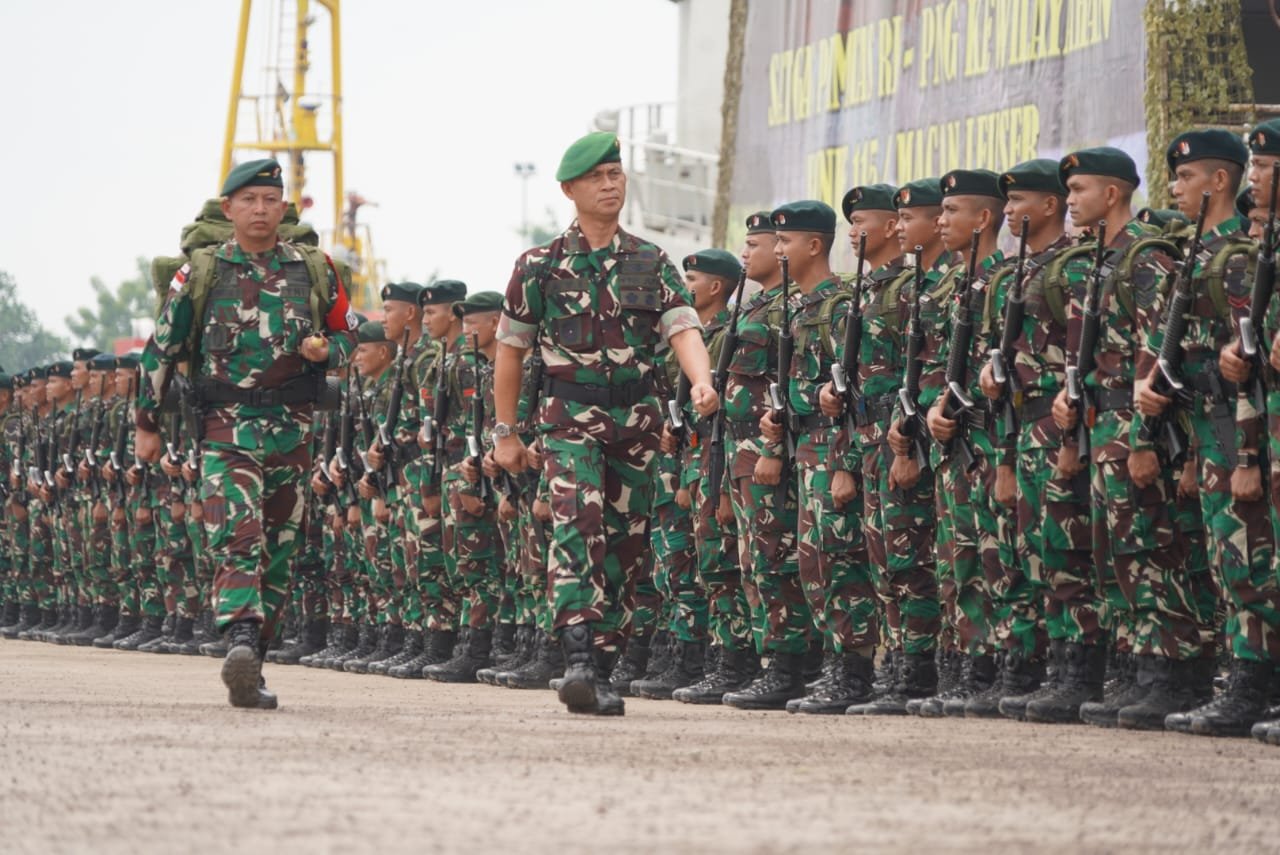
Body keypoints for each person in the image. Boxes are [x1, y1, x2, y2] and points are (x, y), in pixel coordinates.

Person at [493, 130, 716, 717]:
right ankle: (577, 657)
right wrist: (505, 431)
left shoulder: (650, 260)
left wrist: (700, 379)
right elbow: (510, 352)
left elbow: (681, 326)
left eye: (616, 173)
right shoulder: (539, 266)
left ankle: (603, 664)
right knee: (576, 521)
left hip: (638, 424)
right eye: (597, 176)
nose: (610, 184)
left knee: (625, 542)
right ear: (570, 189)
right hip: (569, 419)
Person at [136, 158, 357, 710]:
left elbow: (354, 337)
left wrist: (328, 351)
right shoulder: (203, 272)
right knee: (238, 535)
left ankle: (252, 662)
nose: (260, 210)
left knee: (280, 550)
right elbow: (160, 349)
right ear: (230, 208)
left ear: (283, 208)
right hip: (226, 429)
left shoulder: (317, 269)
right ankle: (237, 635)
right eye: (249, 200)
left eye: (269, 200)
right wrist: (146, 423)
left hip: (292, 432)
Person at [1140, 129, 1279, 737]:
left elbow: (1245, 368)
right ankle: (1245, 680)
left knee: (1251, 558)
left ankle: (1253, 682)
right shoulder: (1207, 253)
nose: (1175, 187)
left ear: (1215, 181)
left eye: (1186, 177)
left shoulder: (1241, 255)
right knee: (1232, 559)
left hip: (1243, 428)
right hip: (1216, 428)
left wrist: (1244, 450)